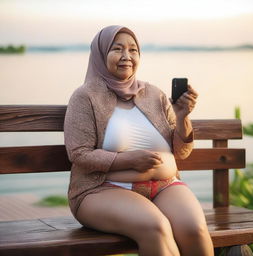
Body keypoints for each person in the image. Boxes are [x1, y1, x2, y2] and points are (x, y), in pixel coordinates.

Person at [64, 25, 214, 256]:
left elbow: (181, 152)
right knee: (156, 227)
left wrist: (183, 115)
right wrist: (128, 160)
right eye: (117, 49)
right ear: (101, 54)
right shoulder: (85, 97)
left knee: (195, 229)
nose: (127, 56)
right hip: (101, 190)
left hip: (166, 186)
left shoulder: (155, 94)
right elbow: (79, 154)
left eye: (133, 50)